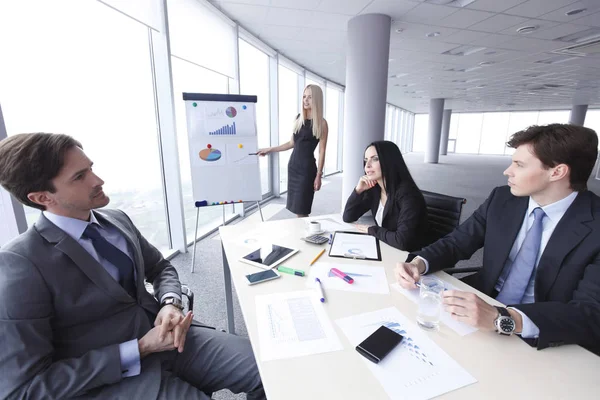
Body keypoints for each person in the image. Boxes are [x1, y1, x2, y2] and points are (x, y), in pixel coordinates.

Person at [0, 133, 265, 399]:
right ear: (42, 197)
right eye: (80, 177)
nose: (98, 180)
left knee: (272, 370)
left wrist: (170, 302)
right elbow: (26, 388)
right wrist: (139, 349)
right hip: (112, 378)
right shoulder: (21, 263)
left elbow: (160, 268)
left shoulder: (116, 220)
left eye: (90, 168)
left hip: (174, 341)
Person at [395, 123, 600, 355]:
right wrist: (418, 263)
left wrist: (502, 318)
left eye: (519, 165)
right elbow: (457, 242)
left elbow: (590, 312)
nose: (507, 171)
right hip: (482, 302)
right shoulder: (502, 198)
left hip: (545, 331)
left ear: (557, 172)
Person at [342, 140, 428, 252]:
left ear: (389, 161)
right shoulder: (375, 190)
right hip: (387, 247)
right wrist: (358, 191)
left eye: (375, 159)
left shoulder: (408, 194)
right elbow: (348, 216)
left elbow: (402, 241)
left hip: (409, 258)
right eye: (366, 160)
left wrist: (372, 230)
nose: (367, 166)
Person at [257, 84, 328, 217]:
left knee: (302, 210)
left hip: (307, 171)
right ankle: (298, 235)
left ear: (317, 99)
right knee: (296, 209)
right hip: (294, 166)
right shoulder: (298, 118)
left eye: (310, 97)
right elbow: (292, 143)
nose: (305, 100)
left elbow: (322, 151)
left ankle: (302, 236)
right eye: (304, 97)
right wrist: (270, 149)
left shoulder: (322, 123)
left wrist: (319, 175)